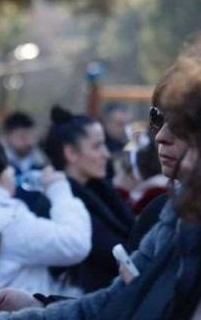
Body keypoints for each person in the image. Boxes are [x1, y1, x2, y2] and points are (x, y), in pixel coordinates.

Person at [0, 43, 201, 320]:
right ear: (70, 153)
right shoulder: (173, 213)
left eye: (184, 125)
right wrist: (40, 305)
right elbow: (113, 302)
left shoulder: (158, 206)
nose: (160, 136)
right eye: (158, 118)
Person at [0, 140, 90, 296]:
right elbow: (74, 243)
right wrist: (58, 188)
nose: (12, 171)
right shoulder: (9, 220)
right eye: (7, 167)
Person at [42, 106, 134, 293]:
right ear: (71, 153)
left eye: (104, 145)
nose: (106, 154)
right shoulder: (58, 205)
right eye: (97, 146)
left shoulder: (102, 192)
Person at [0, 112, 51, 218]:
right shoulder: (1, 167)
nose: (26, 140)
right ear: (8, 137)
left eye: (30, 135)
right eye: (21, 136)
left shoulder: (45, 166)